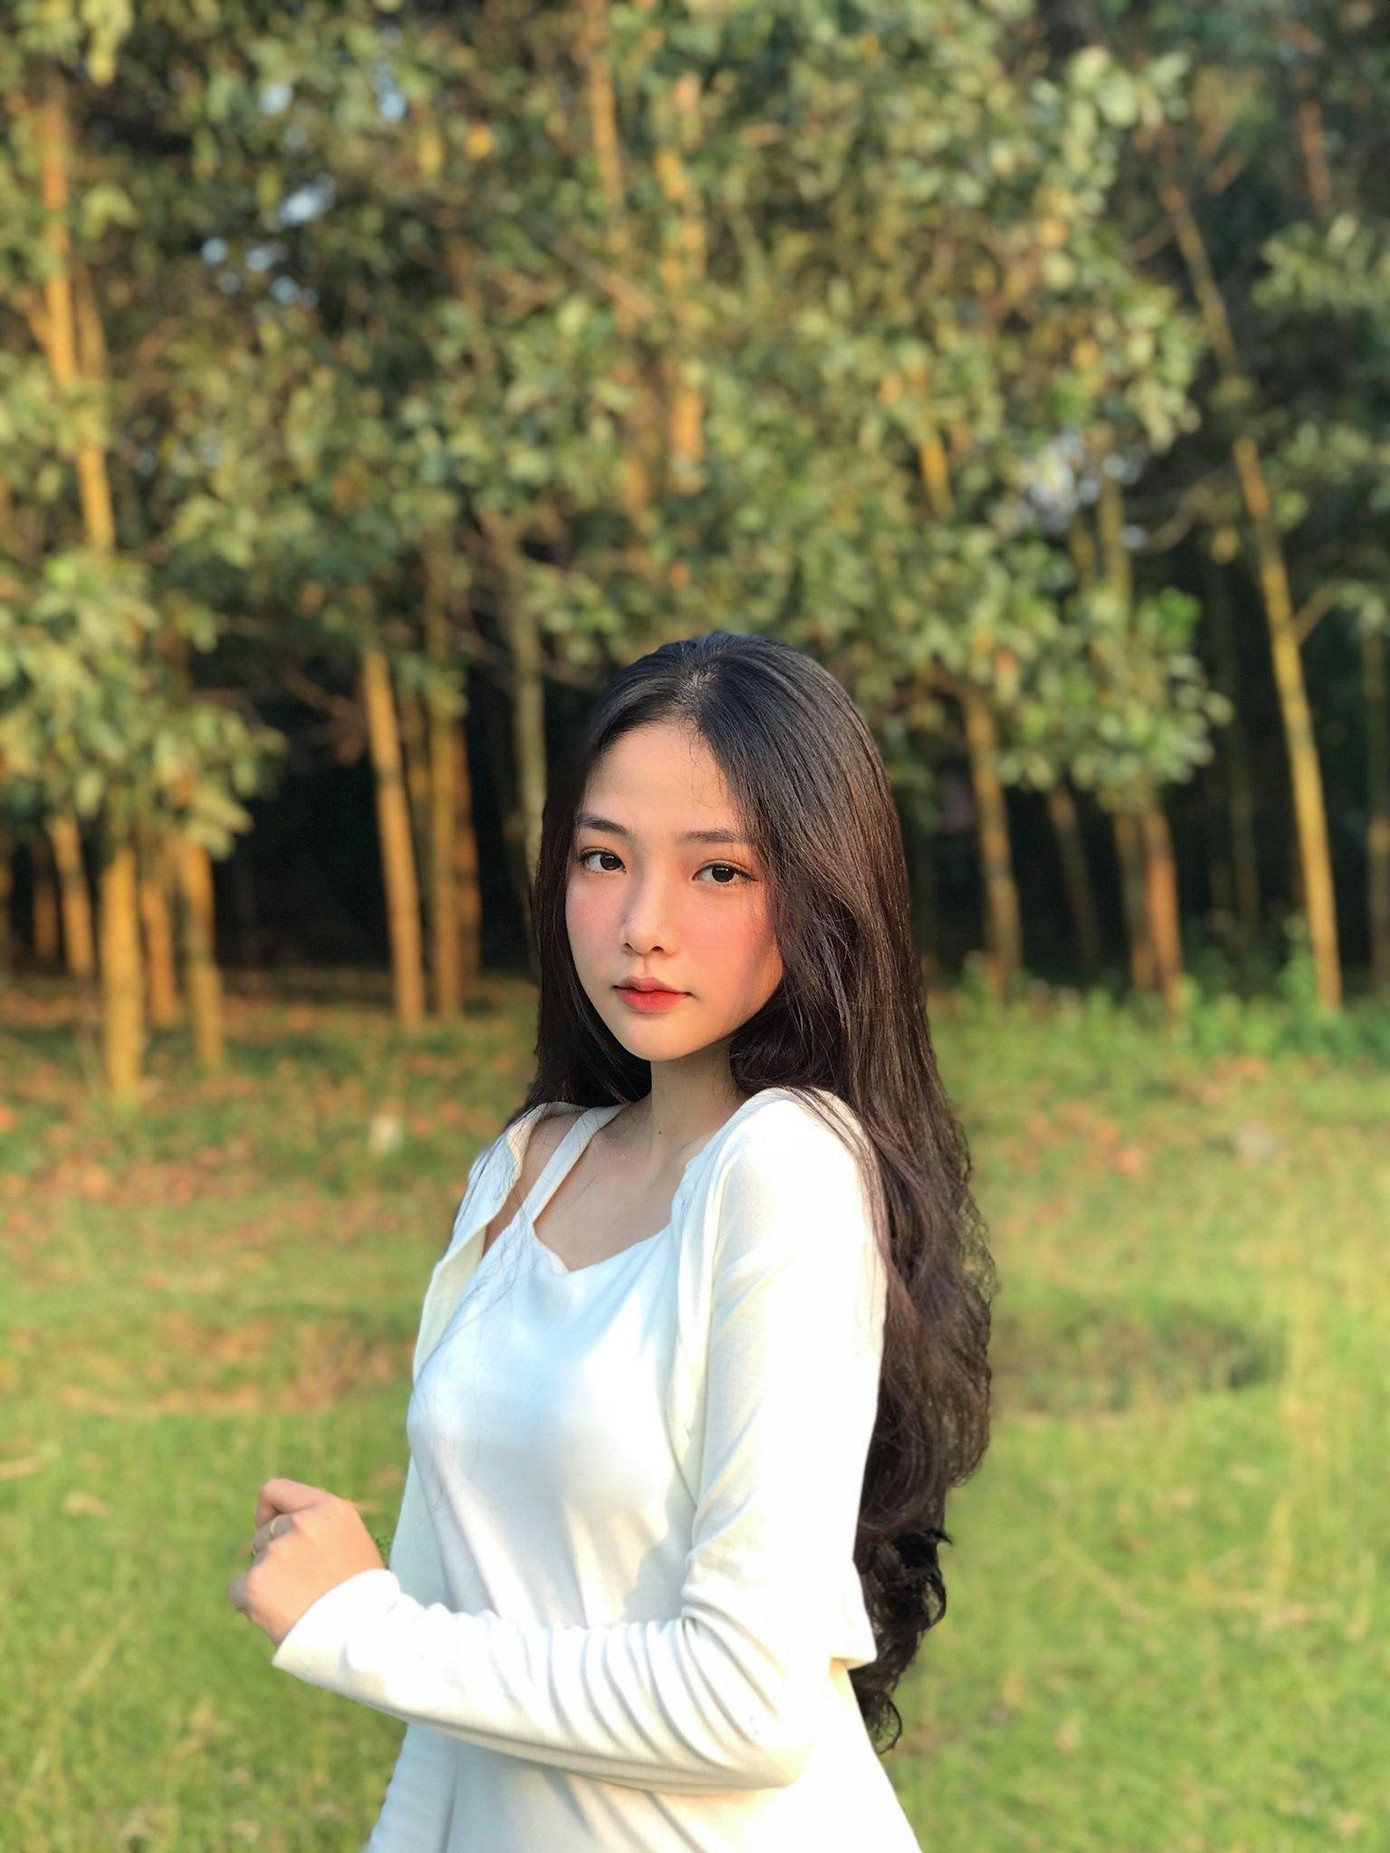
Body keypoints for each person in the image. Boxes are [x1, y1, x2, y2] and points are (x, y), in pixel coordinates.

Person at [228, 630, 996, 1849]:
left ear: (820, 889)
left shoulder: (783, 1167)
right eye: (603, 857)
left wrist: (358, 1624)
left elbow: (748, 1706)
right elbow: (456, 1673)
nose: (643, 922)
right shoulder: (524, 1167)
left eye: (718, 871)